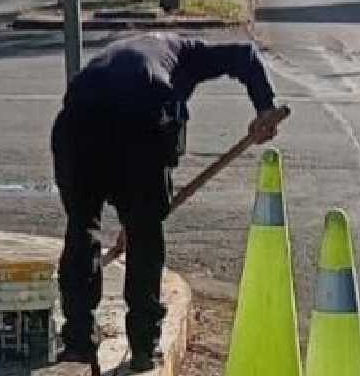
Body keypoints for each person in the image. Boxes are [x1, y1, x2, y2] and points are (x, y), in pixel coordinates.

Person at [52, 34, 285, 373]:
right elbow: (245, 54)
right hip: (137, 121)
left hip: (75, 126)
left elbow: (243, 56)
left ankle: (77, 342)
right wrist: (264, 107)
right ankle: (144, 347)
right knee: (145, 236)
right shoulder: (187, 54)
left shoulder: (133, 54)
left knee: (81, 228)